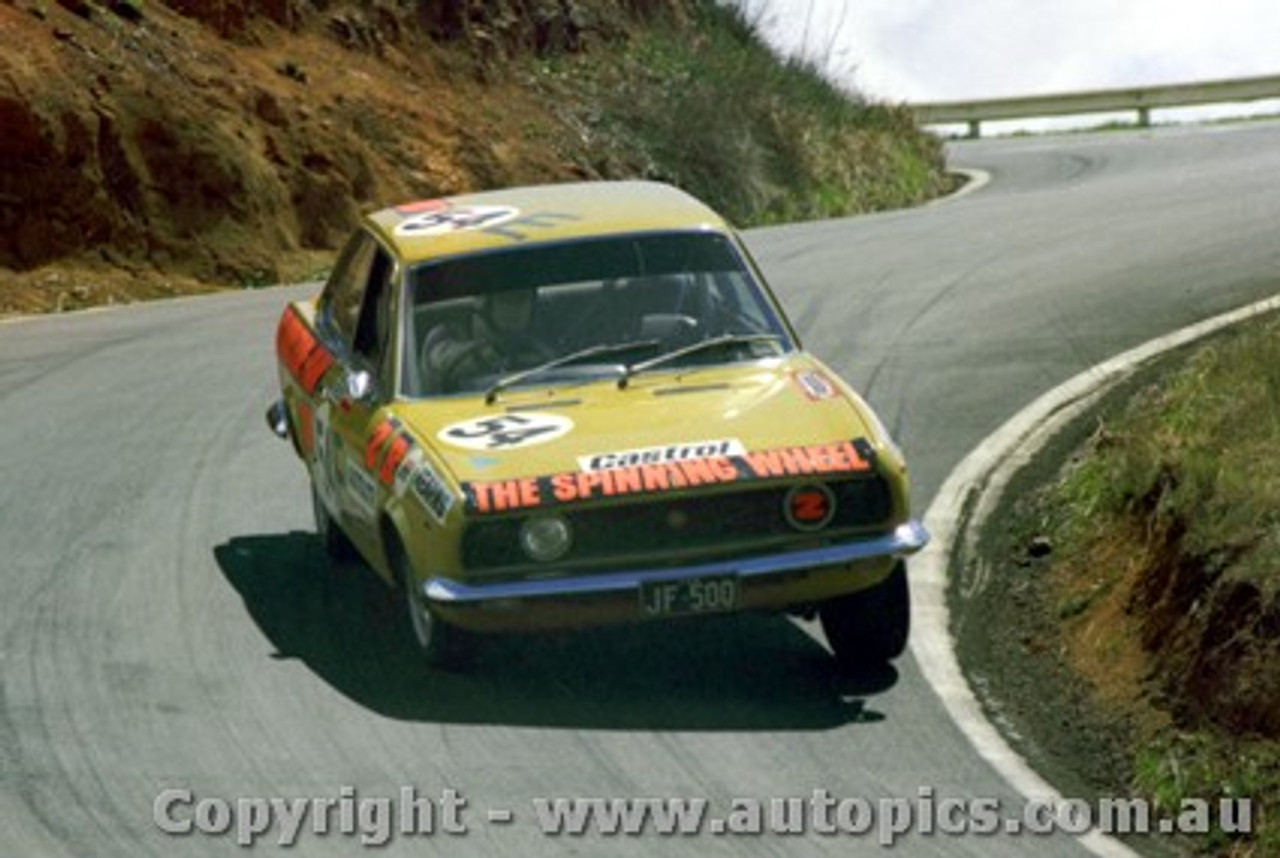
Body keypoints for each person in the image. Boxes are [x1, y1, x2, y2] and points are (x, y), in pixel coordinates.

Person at [420, 289, 551, 394]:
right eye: (507, 299)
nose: (517, 309)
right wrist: (490, 354)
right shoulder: (445, 335)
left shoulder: (537, 343)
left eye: (523, 299)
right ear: (483, 302)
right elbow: (441, 365)